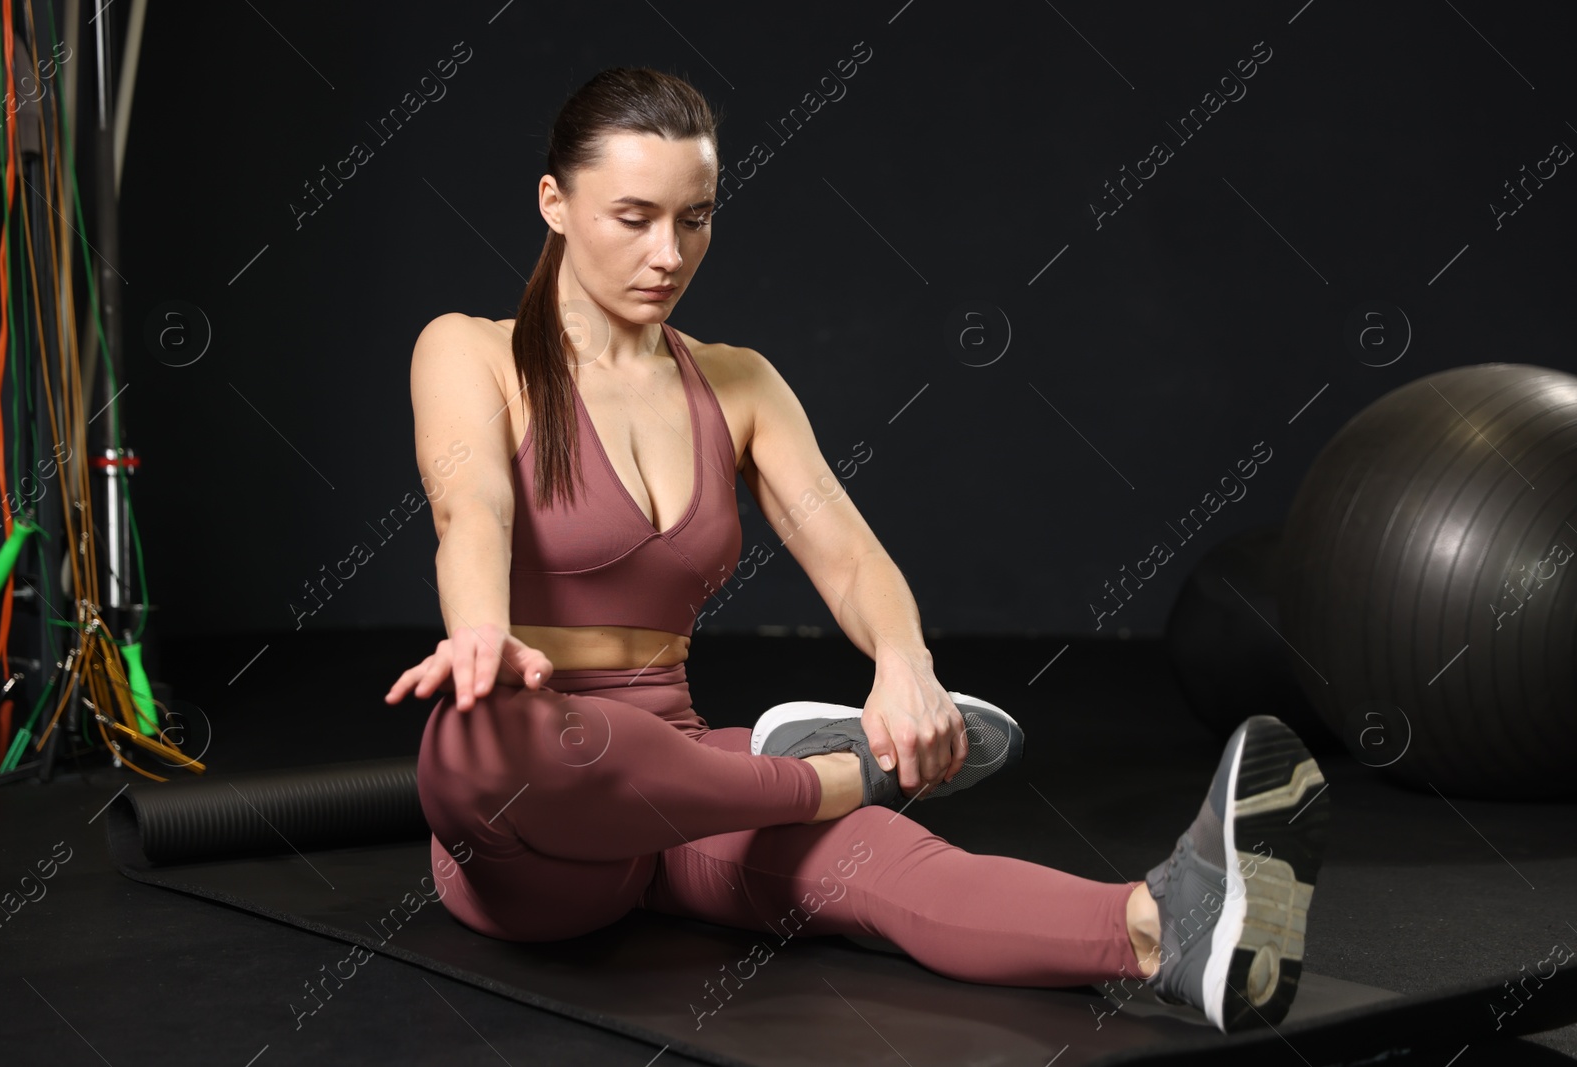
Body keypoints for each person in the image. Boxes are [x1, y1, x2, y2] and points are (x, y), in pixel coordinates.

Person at [384, 66, 1329, 1035]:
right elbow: (474, 510)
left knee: (886, 864)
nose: (668, 253)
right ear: (554, 201)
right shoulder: (468, 351)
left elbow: (844, 550)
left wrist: (905, 668)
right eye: (634, 217)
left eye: (695, 217)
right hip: (530, 825)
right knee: (479, 740)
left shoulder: (738, 382)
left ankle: (1170, 927)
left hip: (685, 788)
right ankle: (846, 773)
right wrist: (481, 635)